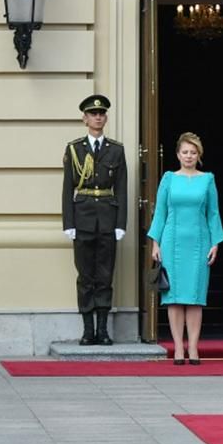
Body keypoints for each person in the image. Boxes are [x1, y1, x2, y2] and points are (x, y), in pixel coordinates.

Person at [148, 133, 223, 366]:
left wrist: (215, 243)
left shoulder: (207, 179)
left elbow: (213, 213)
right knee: (173, 297)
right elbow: (160, 211)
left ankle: (193, 347)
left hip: (199, 242)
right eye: (185, 152)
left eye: (193, 152)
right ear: (178, 154)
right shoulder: (169, 178)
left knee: (194, 297)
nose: (189, 156)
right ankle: (178, 348)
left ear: (198, 155)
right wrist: (155, 242)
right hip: (171, 242)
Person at [62, 94, 128, 346]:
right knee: (85, 275)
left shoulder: (116, 149)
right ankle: (87, 330)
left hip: (108, 219)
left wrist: (121, 223)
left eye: (101, 114)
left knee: (105, 274)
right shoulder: (74, 148)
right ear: (85, 118)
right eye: (93, 114)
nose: (97, 117)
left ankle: (103, 330)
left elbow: (121, 188)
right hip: (83, 218)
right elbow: (67, 187)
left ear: (106, 118)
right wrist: (68, 223)